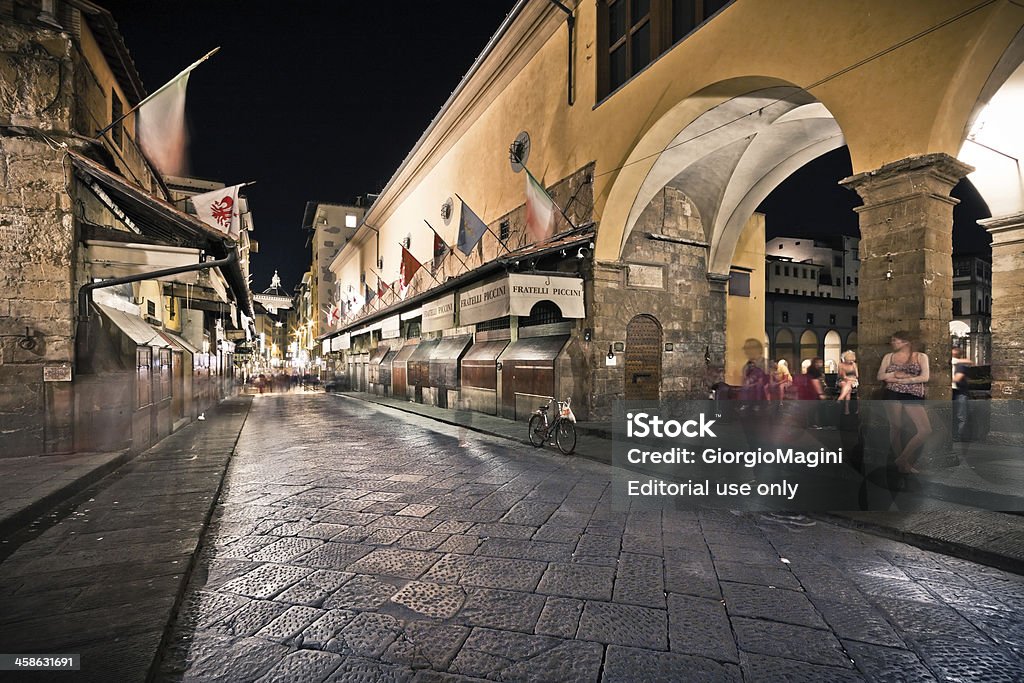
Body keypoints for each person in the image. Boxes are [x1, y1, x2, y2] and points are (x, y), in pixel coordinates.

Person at [877, 331, 931, 473]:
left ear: (906, 342)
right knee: (895, 427)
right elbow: (881, 376)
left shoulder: (920, 356)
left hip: (912, 394)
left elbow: (925, 377)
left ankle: (902, 458)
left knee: (925, 430)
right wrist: (895, 374)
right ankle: (903, 466)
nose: (893, 343)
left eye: (896, 340)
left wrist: (906, 379)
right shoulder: (889, 357)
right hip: (892, 393)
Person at [951, 348, 971, 441]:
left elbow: (958, 378)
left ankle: (959, 436)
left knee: (961, 415)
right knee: (955, 414)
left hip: (960, 392)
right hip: (954, 391)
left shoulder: (960, 365)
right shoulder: (953, 364)